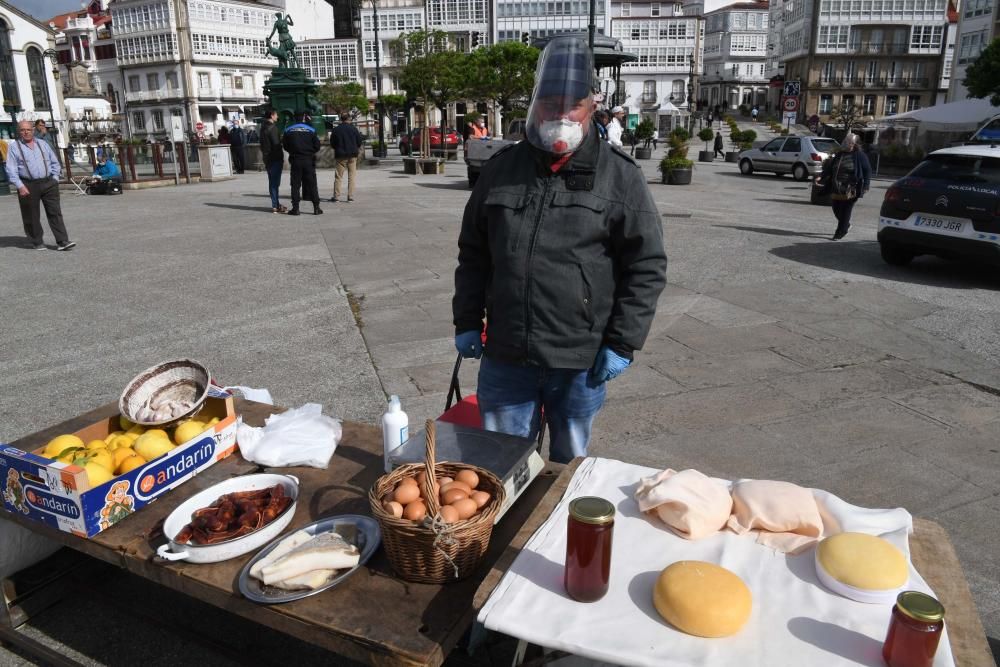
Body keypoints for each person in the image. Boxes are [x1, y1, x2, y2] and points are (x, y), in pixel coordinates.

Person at [453, 36, 667, 464]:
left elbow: (646, 265)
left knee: (569, 463)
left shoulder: (619, 176)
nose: (561, 115)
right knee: (499, 462)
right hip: (507, 352)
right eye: (550, 104)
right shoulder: (501, 171)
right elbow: (474, 255)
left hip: (579, 356)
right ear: (535, 106)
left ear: (592, 107)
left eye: (573, 105)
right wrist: (466, 321)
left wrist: (622, 342)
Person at [5, 120, 75, 250]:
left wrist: (54, 178)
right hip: (28, 184)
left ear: (33, 130)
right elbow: (11, 169)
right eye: (22, 130)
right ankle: (36, 241)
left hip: (48, 182)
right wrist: (20, 186)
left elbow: (55, 162)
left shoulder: (43, 144)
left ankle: (62, 241)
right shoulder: (14, 147)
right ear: (19, 132)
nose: (26, 132)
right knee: (31, 214)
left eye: (28, 129)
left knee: (55, 212)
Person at [815, 133, 871, 241]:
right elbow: (830, 168)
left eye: (850, 142)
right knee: (836, 208)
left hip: (851, 188)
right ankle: (846, 224)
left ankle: (841, 231)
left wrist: (866, 185)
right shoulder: (840, 154)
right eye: (846, 141)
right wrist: (821, 177)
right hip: (837, 187)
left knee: (846, 210)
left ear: (854, 144)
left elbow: (867, 171)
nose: (846, 144)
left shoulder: (860, 155)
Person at [282, 111, 322, 216]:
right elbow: (317, 145)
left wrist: (293, 151)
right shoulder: (311, 130)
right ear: (304, 117)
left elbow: (285, 145)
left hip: (295, 160)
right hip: (308, 160)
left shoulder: (288, 130)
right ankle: (316, 208)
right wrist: (310, 152)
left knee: (295, 185)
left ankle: (296, 209)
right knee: (312, 184)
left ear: (294, 118)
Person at [329, 115, 363, 203]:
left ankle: (336, 196)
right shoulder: (354, 129)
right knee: (352, 176)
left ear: (341, 119)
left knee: (338, 176)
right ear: (349, 119)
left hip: (340, 155)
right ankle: (350, 196)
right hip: (352, 155)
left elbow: (332, 143)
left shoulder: (336, 130)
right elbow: (359, 142)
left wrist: (337, 148)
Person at [260, 110, 286, 213]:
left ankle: (276, 204)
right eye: (276, 114)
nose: (277, 116)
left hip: (267, 158)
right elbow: (276, 145)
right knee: (275, 183)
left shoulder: (262, 128)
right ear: (272, 115)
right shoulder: (273, 128)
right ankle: (275, 205)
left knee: (272, 182)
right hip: (275, 158)